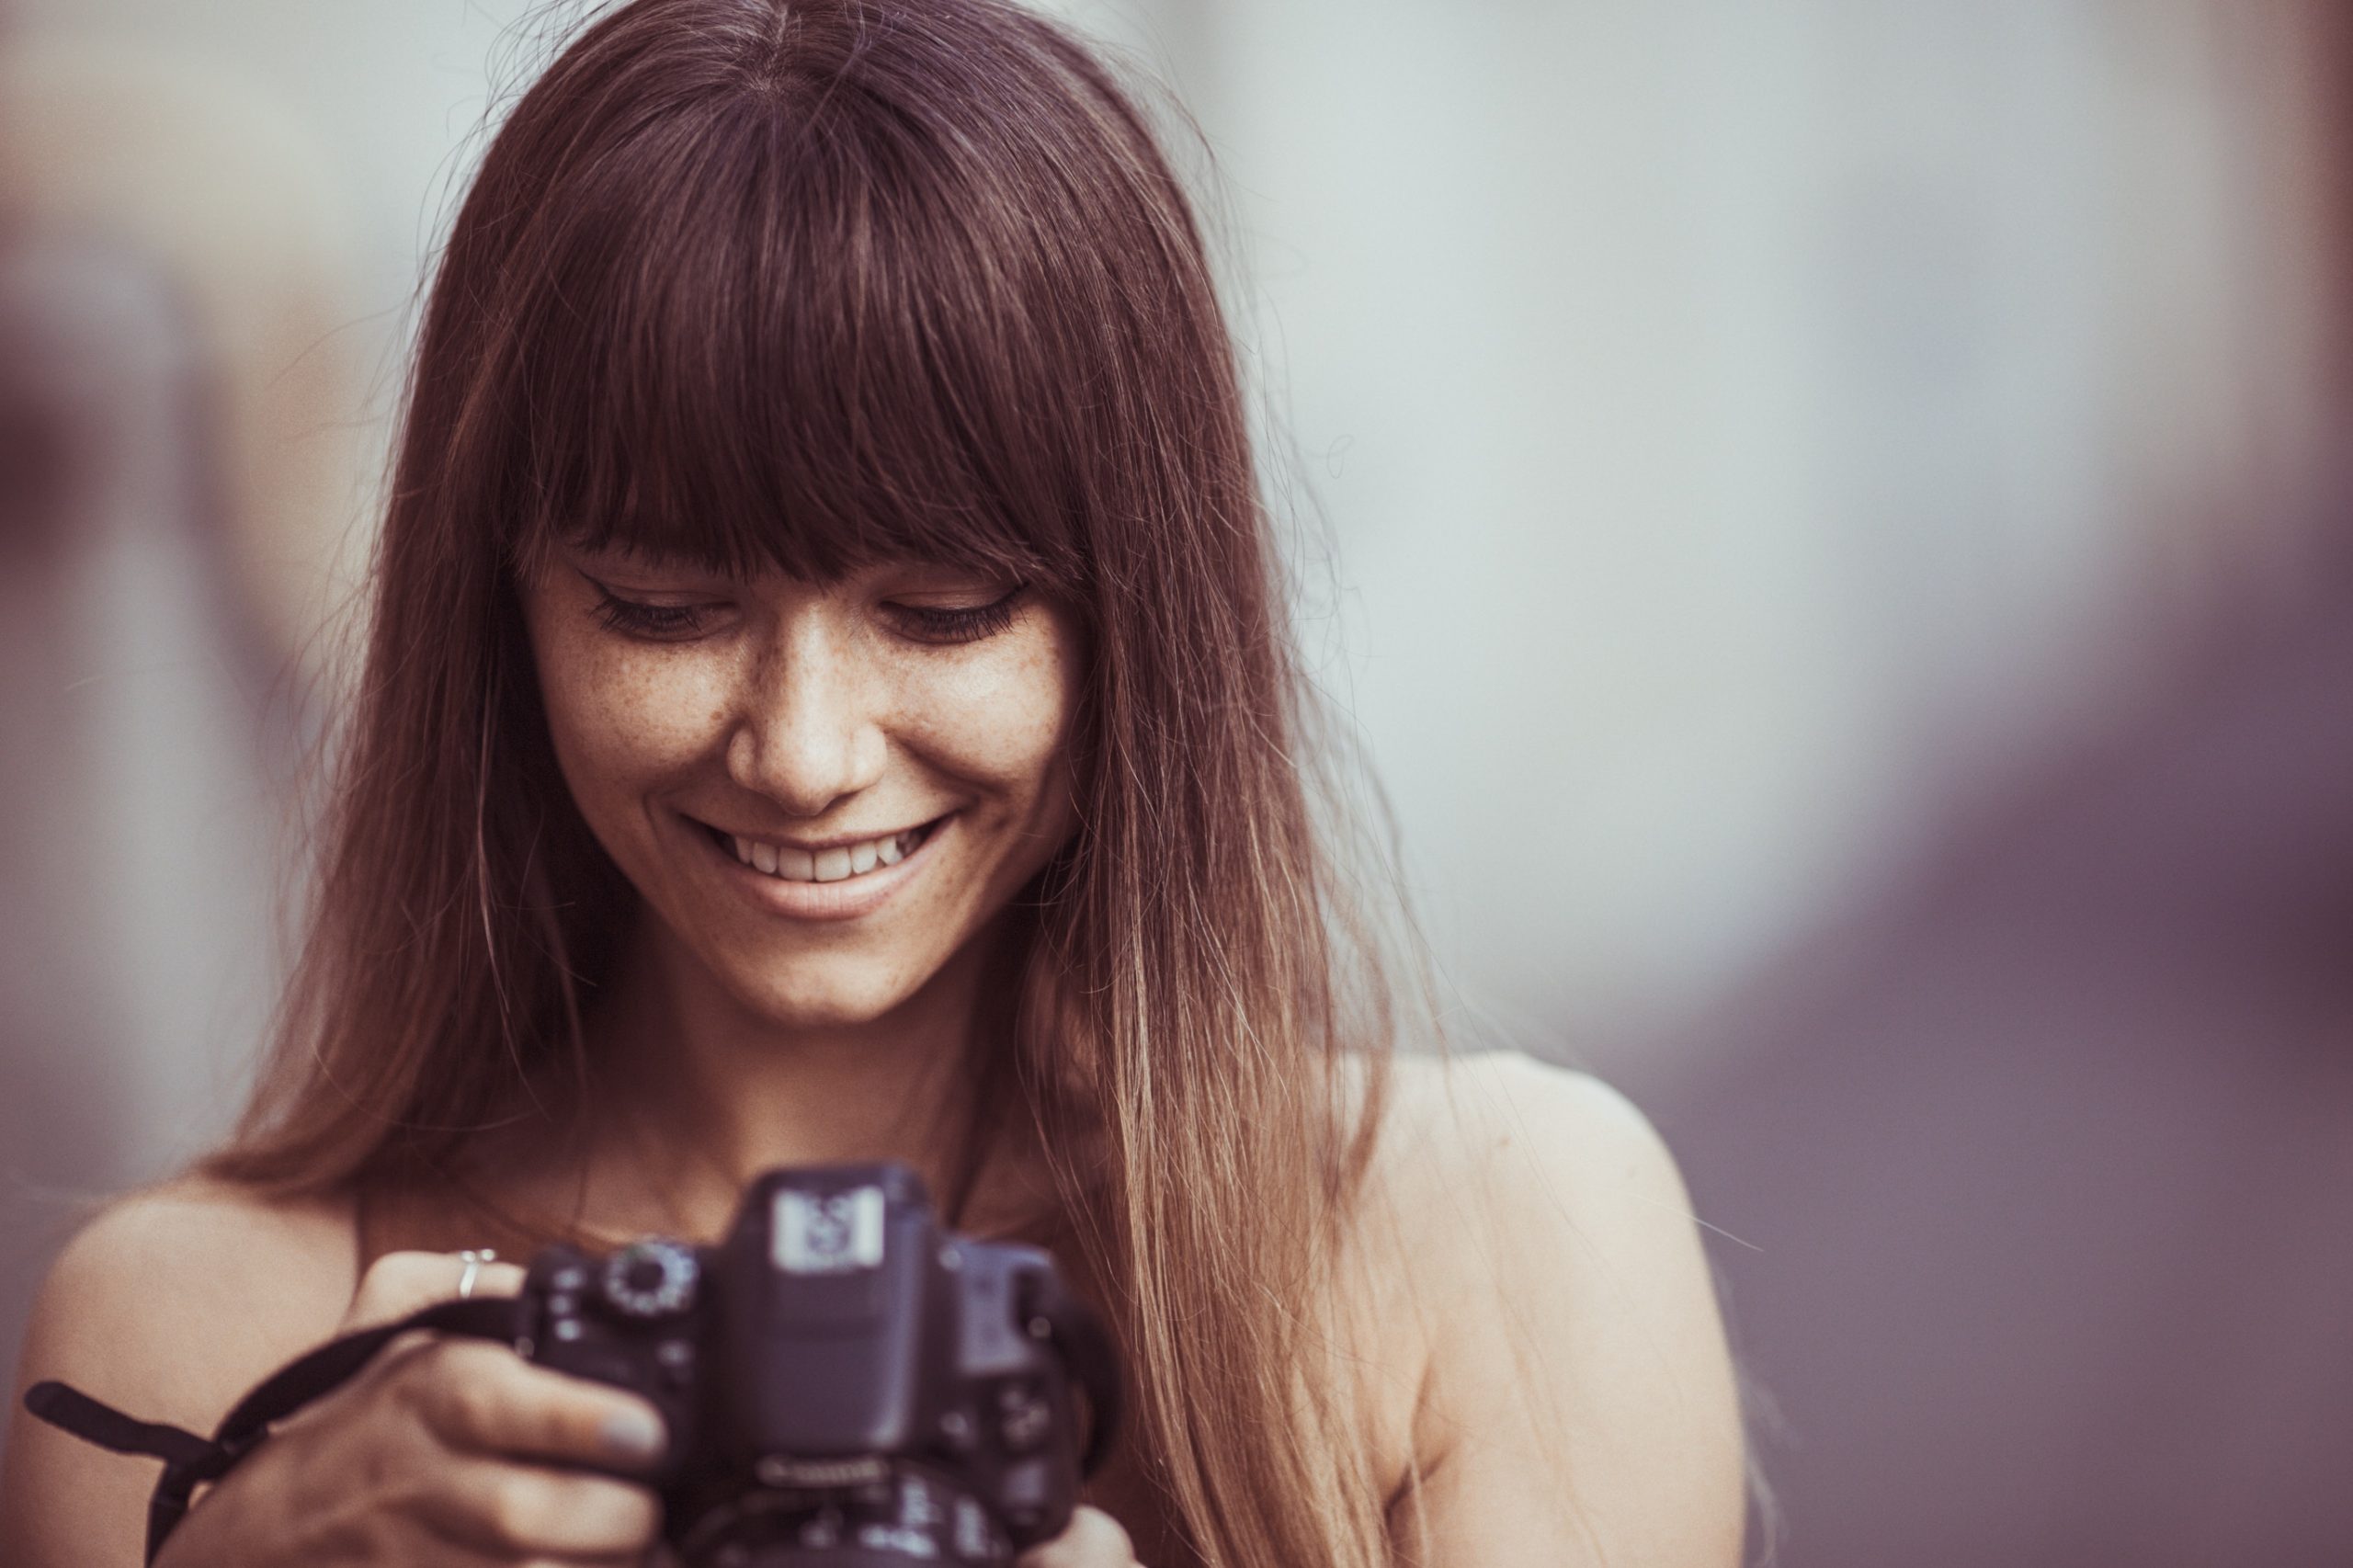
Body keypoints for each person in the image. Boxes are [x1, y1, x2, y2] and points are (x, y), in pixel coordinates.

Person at [0, 1, 1744, 1563]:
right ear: (501, 606)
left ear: (1140, 615)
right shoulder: (200, 1340)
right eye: (664, 609)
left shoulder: (1497, 1253)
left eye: (947, 610)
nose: (807, 753)